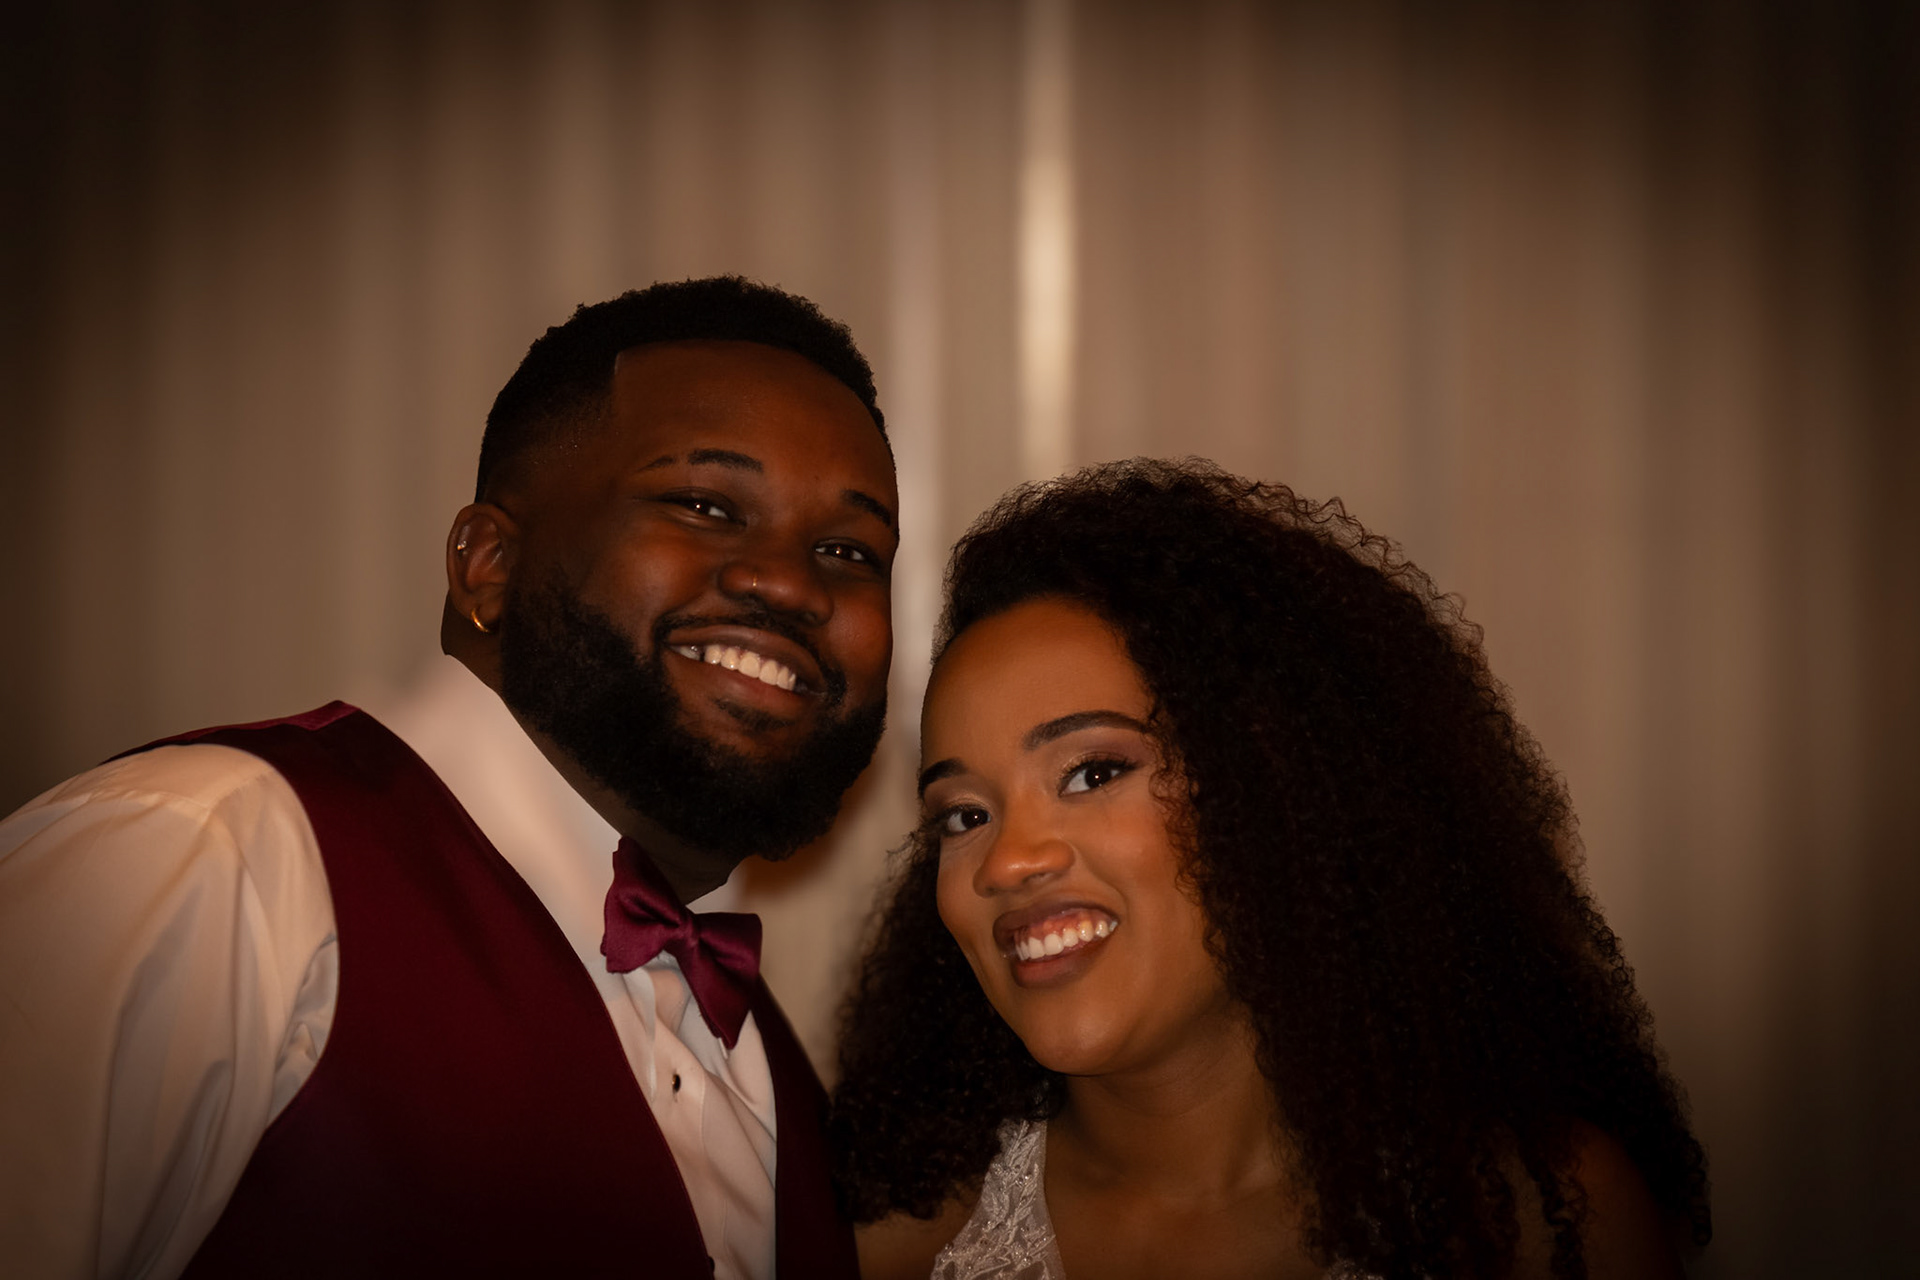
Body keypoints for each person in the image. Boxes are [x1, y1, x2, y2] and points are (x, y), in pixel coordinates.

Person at [0, 276, 897, 1279]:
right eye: (703, 504)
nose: (791, 583)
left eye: (849, 549)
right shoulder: (203, 855)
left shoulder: (783, 1077)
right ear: (488, 565)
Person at [831, 459, 1710, 1280]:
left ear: (1279, 791)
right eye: (964, 816)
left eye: (1093, 773)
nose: (1009, 860)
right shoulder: (879, 1239)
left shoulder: (1544, 1223)